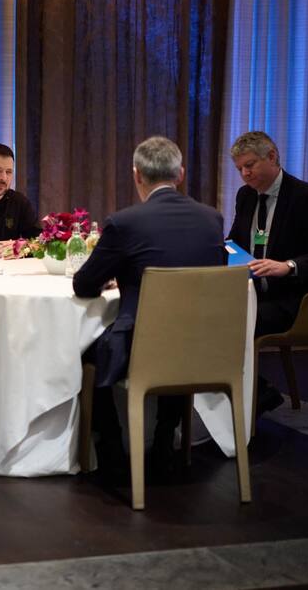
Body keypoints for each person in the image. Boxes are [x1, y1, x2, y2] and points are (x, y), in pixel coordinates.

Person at [73, 136, 226, 478]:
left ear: (137, 175)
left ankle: (110, 447)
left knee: (82, 349)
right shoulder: (212, 219)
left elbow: (83, 285)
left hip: (143, 349)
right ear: (181, 174)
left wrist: (119, 275)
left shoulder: (125, 222)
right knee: (176, 331)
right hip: (205, 348)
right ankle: (162, 443)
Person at [227, 131, 308, 414]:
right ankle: (251, 394)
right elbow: (236, 242)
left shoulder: (306, 197)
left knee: (231, 323)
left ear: (272, 157)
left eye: (249, 165)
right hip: (253, 292)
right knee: (206, 315)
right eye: (239, 168)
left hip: (293, 299)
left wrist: (287, 266)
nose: (244, 174)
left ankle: (247, 402)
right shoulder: (246, 196)